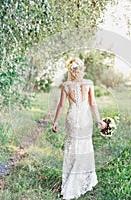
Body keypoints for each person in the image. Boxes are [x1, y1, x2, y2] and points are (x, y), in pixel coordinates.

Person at [52, 57, 107, 199]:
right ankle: (82, 178)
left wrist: (55, 122)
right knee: (85, 147)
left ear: (70, 70)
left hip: (72, 118)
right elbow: (93, 103)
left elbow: (61, 105)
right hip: (85, 118)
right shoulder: (89, 83)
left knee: (72, 147)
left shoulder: (66, 85)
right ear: (81, 68)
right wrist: (98, 120)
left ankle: (72, 178)